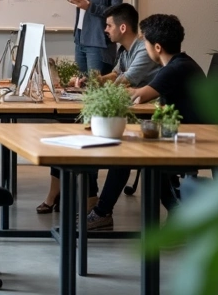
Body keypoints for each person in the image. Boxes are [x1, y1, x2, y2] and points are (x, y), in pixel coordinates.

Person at [85, 13, 205, 230]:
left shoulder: (174, 69)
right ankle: (105, 212)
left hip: (192, 138)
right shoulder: (180, 64)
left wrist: (104, 96)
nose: (144, 46)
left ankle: (103, 213)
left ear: (156, 47)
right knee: (131, 149)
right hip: (179, 132)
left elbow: (138, 97)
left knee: (127, 154)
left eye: (146, 42)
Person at [38, 2, 160, 213]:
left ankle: (91, 198)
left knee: (87, 132)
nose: (105, 30)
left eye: (109, 25)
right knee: (70, 130)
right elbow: (115, 74)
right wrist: (92, 80)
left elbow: (126, 80)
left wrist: (99, 90)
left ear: (123, 28)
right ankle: (79, 196)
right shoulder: (125, 50)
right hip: (127, 110)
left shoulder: (143, 50)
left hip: (145, 117)